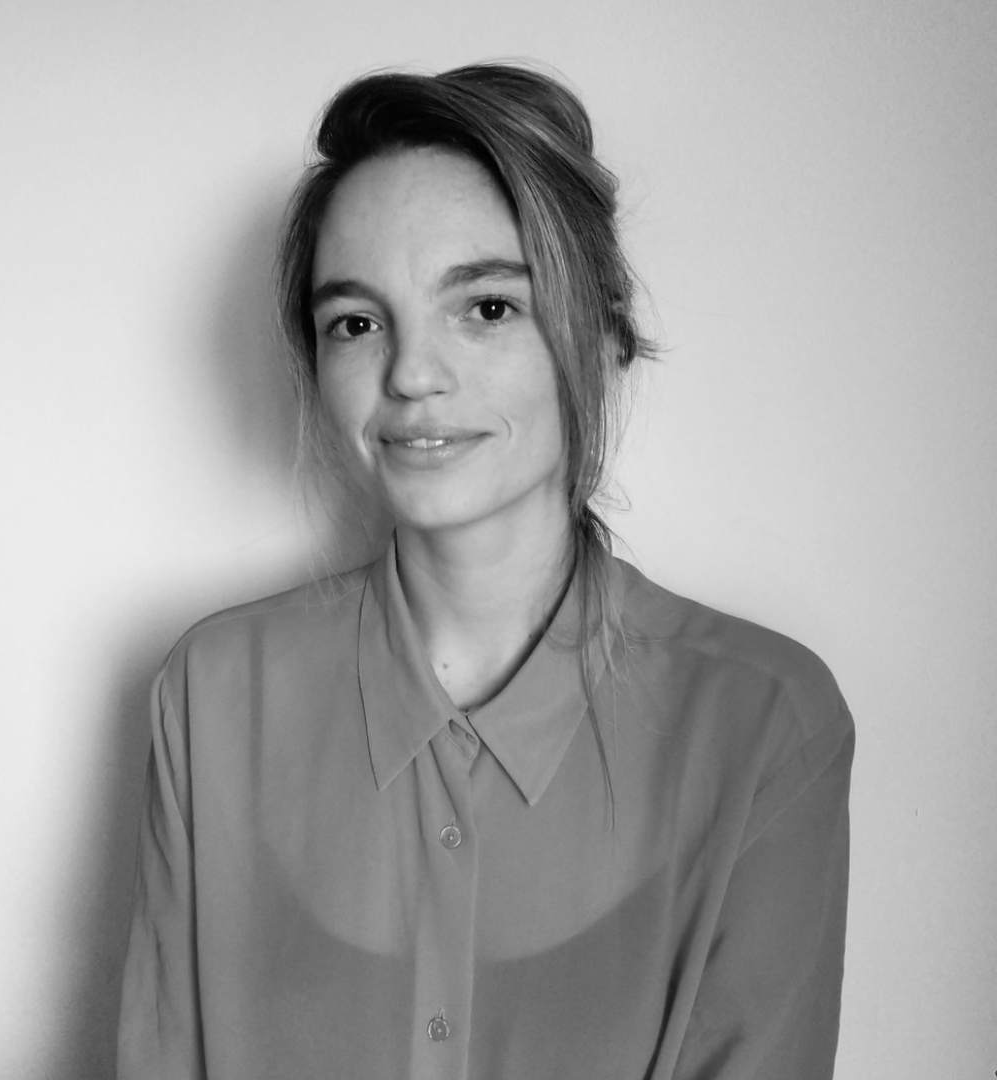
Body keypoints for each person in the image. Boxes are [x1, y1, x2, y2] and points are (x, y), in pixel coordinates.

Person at [117, 64, 854, 1080]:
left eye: (489, 307)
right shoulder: (212, 694)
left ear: (604, 335)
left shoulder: (763, 719)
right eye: (356, 322)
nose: (413, 374)